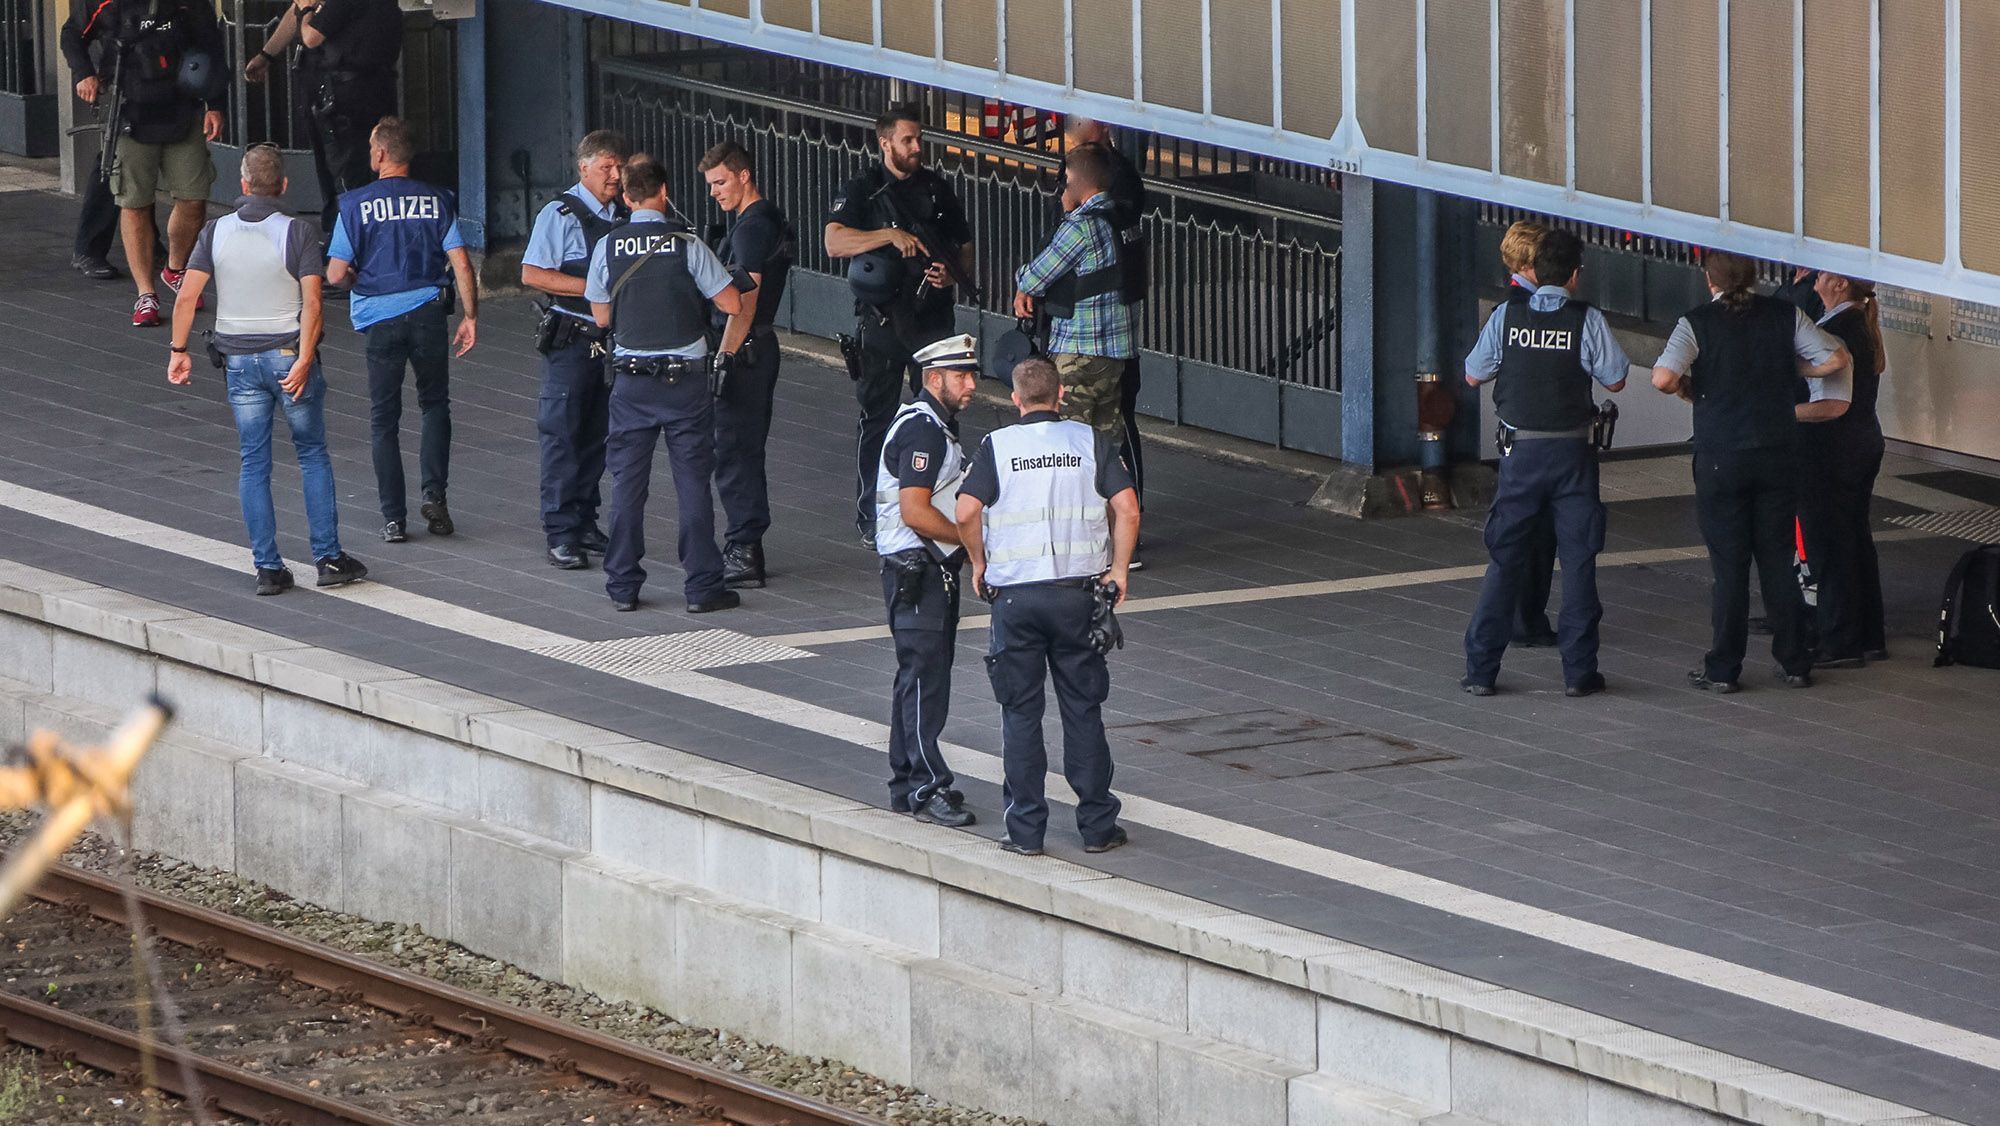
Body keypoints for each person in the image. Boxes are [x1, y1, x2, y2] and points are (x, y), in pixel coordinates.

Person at [958, 356, 1140, 857]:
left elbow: (966, 510)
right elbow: (1127, 507)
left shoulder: (997, 446)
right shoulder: (1088, 441)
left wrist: (980, 563)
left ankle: (1025, 833)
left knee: (1020, 714)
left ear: (1015, 399)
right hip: (1077, 598)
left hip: (1015, 599)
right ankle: (1098, 827)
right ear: (1060, 394)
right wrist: (1119, 570)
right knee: (1083, 711)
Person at [165, 144, 367, 595]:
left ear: (242, 184)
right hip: (287, 356)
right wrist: (305, 359)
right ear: (284, 185)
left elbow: (184, 297)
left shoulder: (214, 232)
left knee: (254, 462)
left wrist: (179, 350)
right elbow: (313, 303)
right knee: (312, 454)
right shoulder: (297, 232)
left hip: (238, 363)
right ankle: (329, 559)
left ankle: (268, 569)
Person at [1651, 250, 1849, 693]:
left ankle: (1724, 668)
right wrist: (1795, 367)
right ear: (1754, 277)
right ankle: (1795, 661)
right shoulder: (1785, 314)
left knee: (1730, 567)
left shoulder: (1696, 322)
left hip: (1722, 457)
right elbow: (1836, 359)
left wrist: (1691, 386)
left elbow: (1662, 378)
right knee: (1778, 560)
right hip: (1778, 452)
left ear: (1709, 280)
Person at [1460, 230, 1630, 698]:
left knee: (1504, 561)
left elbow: (1474, 373)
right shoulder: (1586, 318)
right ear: (1574, 275)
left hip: (1521, 456)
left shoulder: (1506, 315)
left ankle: (1480, 672)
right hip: (1574, 456)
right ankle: (1578, 674)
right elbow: (1615, 379)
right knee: (1578, 564)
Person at [586, 154, 747, 614]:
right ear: (664, 193)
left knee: (626, 486)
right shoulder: (687, 243)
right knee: (693, 486)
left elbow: (601, 316)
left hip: (631, 385)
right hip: (685, 384)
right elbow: (732, 303)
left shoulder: (609, 246)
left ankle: (622, 586)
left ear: (628, 196)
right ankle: (701, 588)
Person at [825, 105, 976, 546]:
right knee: (877, 417)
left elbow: (963, 244)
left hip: (932, 321)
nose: (915, 148)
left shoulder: (937, 189)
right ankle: (872, 512)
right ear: (885, 142)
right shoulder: (863, 189)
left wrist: (951, 274)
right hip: (883, 322)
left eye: (919, 140)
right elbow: (834, 241)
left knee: (941, 415)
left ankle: (942, 508)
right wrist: (886, 236)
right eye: (907, 140)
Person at [326, 116, 478, 544]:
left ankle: (394, 519)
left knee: (383, 420)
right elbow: (462, 263)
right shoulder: (437, 200)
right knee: (434, 406)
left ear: (379, 154)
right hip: (428, 313)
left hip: (379, 319)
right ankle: (435, 496)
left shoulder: (355, 204)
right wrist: (470, 316)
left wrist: (359, 281)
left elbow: (336, 273)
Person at [59, 0, 227, 328]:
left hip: (183, 108)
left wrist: (215, 104)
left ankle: (175, 269)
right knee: (134, 202)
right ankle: (145, 293)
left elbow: (211, 48)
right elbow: (71, 34)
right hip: (131, 109)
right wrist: (85, 74)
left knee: (194, 199)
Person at [875, 334, 982, 828]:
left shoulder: (929, 425)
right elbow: (915, 511)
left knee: (918, 679)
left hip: (919, 569)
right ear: (933, 379)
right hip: (917, 570)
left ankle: (907, 785)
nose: (972, 385)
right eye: (962, 376)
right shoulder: (924, 431)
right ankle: (925, 787)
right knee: (924, 681)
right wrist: (969, 541)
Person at [523, 130, 631, 570]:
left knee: (597, 437)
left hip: (610, 345)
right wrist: (592, 288)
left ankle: (585, 522)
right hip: (572, 339)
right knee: (562, 436)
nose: (615, 174)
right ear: (583, 167)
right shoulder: (561, 213)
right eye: (606, 167)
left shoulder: (625, 214)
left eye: (619, 166)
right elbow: (532, 273)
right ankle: (561, 531)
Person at [701, 140, 796, 589]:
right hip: (758, 347)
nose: (715, 192)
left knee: (735, 450)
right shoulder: (761, 220)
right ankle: (744, 543)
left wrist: (725, 356)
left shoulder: (751, 228)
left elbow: (746, 300)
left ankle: (743, 548)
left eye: (720, 182)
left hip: (747, 349)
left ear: (743, 175)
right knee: (742, 448)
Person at [1061, 116, 1150, 565]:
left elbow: (1043, 270)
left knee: (1084, 438)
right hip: (1119, 340)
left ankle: (1100, 531)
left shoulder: (1093, 214)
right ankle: (1122, 530)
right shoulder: (1121, 201)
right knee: (1110, 436)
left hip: (1090, 343)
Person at [244, 0, 403, 243]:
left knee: (348, 176)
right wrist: (267, 54)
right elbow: (296, 11)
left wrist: (307, 10)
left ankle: (349, 250)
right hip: (342, 94)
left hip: (350, 98)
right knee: (339, 172)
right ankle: (342, 242)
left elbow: (310, 36)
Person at [1796, 272, 1888, 667]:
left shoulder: (1836, 331)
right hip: (1863, 443)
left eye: (1819, 274)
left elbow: (1833, 402)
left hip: (1833, 449)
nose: (1812, 279)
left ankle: (1840, 640)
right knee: (1854, 538)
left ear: (1837, 283)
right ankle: (1869, 635)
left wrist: (1780, 415)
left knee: (1830, 545)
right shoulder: (1859, 324)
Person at [1012, 144, 1134, 439]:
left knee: (1067, 442)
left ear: (1077, 180)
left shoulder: (1080, 228)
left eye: (1065, 178)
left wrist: (1021, 283)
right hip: (1115, 353)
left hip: (1078, 353)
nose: (1062, 185)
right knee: (1104, 448)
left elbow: (1033, 277)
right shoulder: (1121, 218)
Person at [1496, 219, 1560, 648]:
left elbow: (1476, 370)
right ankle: (1528, 617)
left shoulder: (1506, 308)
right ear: (1528, 264)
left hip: (1514, 434)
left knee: (1519, 526)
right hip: (1546, 436)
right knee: (1540, 535)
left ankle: (1520, 616)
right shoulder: (1540, 309)